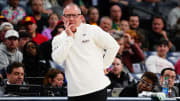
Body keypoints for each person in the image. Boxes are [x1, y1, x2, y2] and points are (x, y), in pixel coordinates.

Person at [52, 3, 119, 101]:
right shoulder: (58, 39)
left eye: (74, 15)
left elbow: (113, 46)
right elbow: (58, 59)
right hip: (74, 92)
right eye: (68, 15)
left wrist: (103, 66)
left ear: (81, 17)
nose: (71, 19)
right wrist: (69, 38)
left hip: (97, 88)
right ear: (63, 18)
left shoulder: (92, 30)